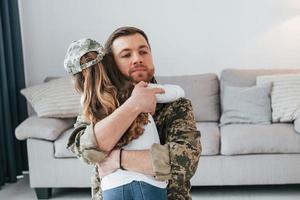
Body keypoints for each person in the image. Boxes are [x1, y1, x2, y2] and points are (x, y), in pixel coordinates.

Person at [66, 27, 202, 200]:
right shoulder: (99, 104)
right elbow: (87, 151)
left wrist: (118, 160)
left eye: (143, 51)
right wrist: (133, 105)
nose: (137, 59)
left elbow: (184, 162)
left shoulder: (176, 105)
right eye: (126, 55)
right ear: (111, 64)